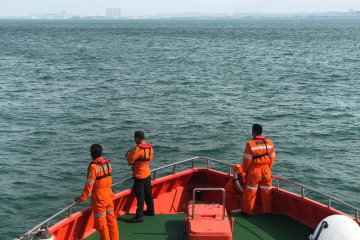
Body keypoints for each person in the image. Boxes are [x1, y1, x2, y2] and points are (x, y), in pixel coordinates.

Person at [75, 144, 119, 240]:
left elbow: (89, 185)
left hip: (100, 199)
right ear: (101, 153)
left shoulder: (93, 167)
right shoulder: (108, 164)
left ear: (91, 154)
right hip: (109, 194)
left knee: (102, 225)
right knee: (112, 221)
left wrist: (82, 198)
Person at [242, 124, 276, 217]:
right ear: (261, 132)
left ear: (253, 132)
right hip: (266, 170)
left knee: (250, 191)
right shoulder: (270, 142)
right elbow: (272, 158)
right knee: (267, 191)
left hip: (254, 171)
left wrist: (245, 171)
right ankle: (267, 212)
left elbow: (247, 160)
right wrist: (267, 168)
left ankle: (247, 212)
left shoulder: (250, 144)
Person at [126, 131, 155, 223]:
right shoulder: (150, 148)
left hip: (139, 176)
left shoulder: (138, 149)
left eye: (135, 138)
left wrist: (128, 153)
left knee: (140, 196)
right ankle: (151, 211)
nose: (134, 139)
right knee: (148, 194)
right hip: (147, 174)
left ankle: (139, 216)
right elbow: (149, 160)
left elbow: (130, 161)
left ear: (138, 138)